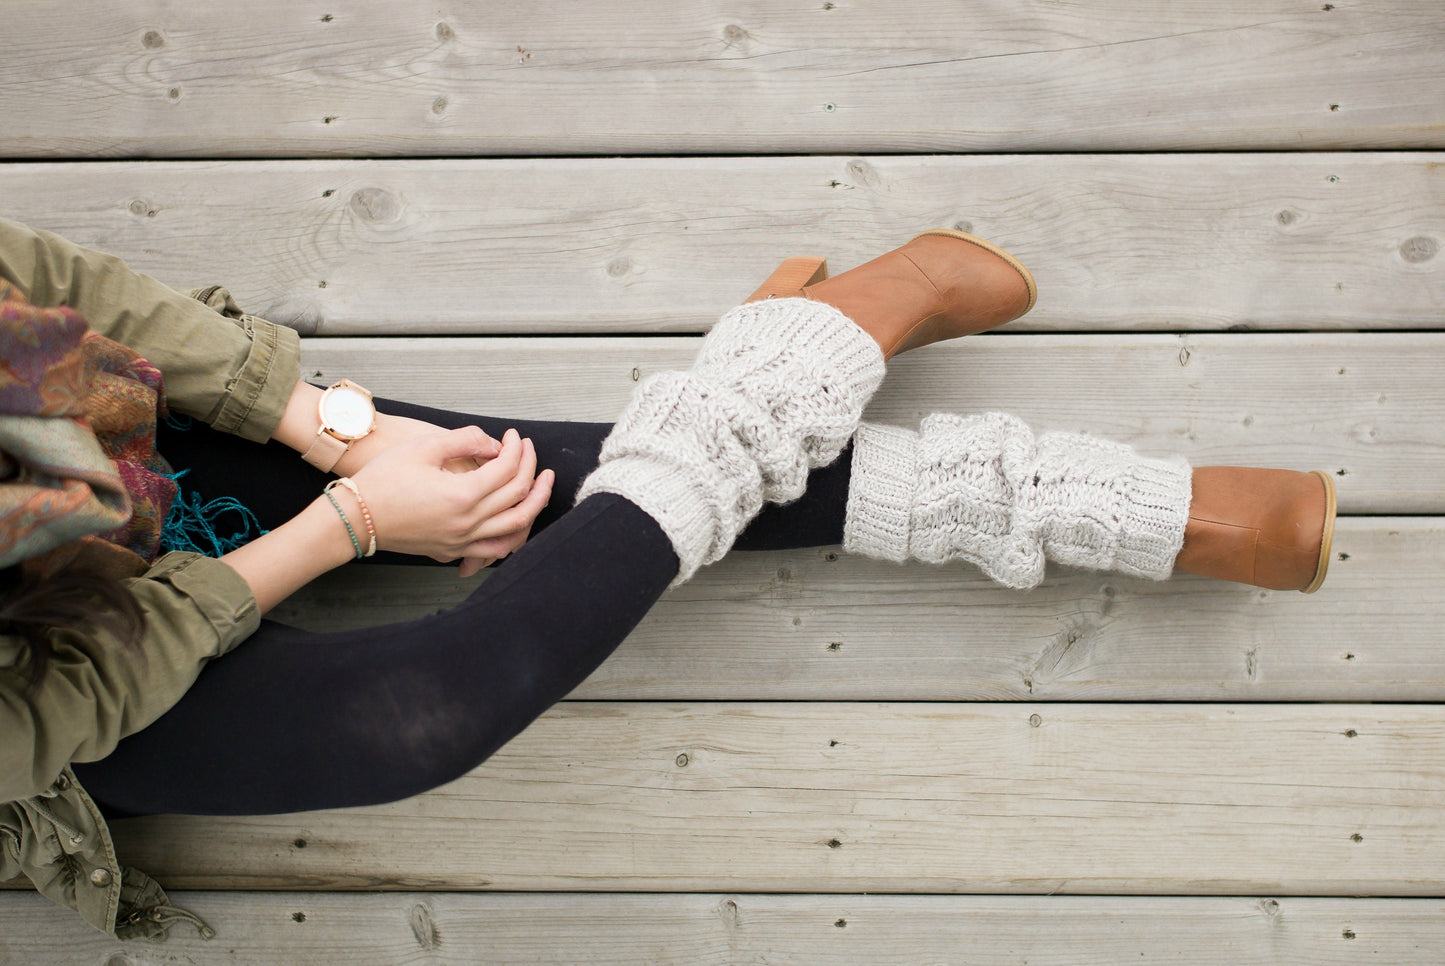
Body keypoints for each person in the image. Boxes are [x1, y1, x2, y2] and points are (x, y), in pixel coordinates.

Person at [0, 217, 1335, 940]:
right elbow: (59, 698)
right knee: (425, 710)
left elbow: (39, 278)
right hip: (77, 690)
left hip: (97, 430)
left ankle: (1002, 469)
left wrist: (316, 419)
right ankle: (783, 367)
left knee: (525, 488)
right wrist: (346, 523)